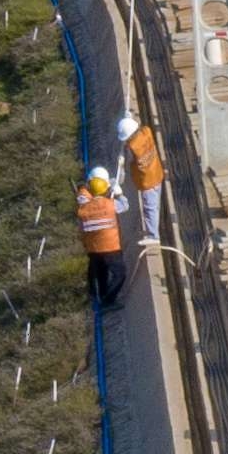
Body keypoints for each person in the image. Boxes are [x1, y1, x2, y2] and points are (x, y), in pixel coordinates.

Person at [72, 163, 128, 310]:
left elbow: (83, 195)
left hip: (93, 248)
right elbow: (125, 205)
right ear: (105, 187)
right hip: (111, 247)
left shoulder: (83, 206)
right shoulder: (110, 205)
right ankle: (108, 301)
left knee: (101, 274)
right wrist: (118, 192)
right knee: (120, 274)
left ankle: (98, 295)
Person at [120, 111, 167, 251]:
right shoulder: (146, 132)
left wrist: (122, 159)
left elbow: (128, 160)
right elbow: (141, 126)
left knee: (150, 208)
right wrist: (131, 119)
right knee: (155, 206)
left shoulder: (132, 148)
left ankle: (154, 236)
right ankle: (154, 231)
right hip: (157, 174)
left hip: (147, 182)